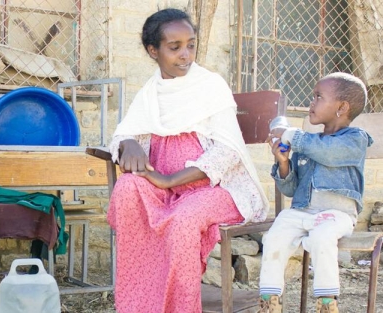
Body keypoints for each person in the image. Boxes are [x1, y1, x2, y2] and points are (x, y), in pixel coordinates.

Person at [107, 8, 269, 313]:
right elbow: (123, 135)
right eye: (175, 47)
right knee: (128, 188)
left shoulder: (209, 86)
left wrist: (169, 179)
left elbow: (227, 153)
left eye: (191, 45)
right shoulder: (151, 93)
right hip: (165, 190)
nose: (186, 55)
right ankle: (139, 304)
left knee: (183, 219)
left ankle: (181, 307)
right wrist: (127, 143)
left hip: (215, 188)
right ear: (153, 51)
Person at [258, 72, 372, 313]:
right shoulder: (305, 142)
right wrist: (283, 163)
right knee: (274, 236)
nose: (311, 102)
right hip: (302, 211)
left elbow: (328, 151)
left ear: (341, 107)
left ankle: (327, 304)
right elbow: (290, 189)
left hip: (336, 214)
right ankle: (270, 303)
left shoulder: (355, 139)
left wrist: (290, 134)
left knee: (322, 238)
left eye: (318, 96)